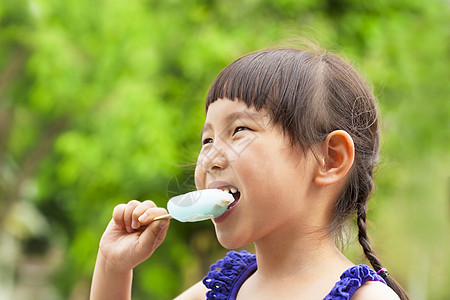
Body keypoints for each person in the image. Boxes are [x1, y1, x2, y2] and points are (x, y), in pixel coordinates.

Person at [90, 46, 410, 299]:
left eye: (239, 129)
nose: (209, 159)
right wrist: (113, 268)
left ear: (329, 158)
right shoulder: (219, 289)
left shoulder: (368, 298)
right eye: (208, 139)